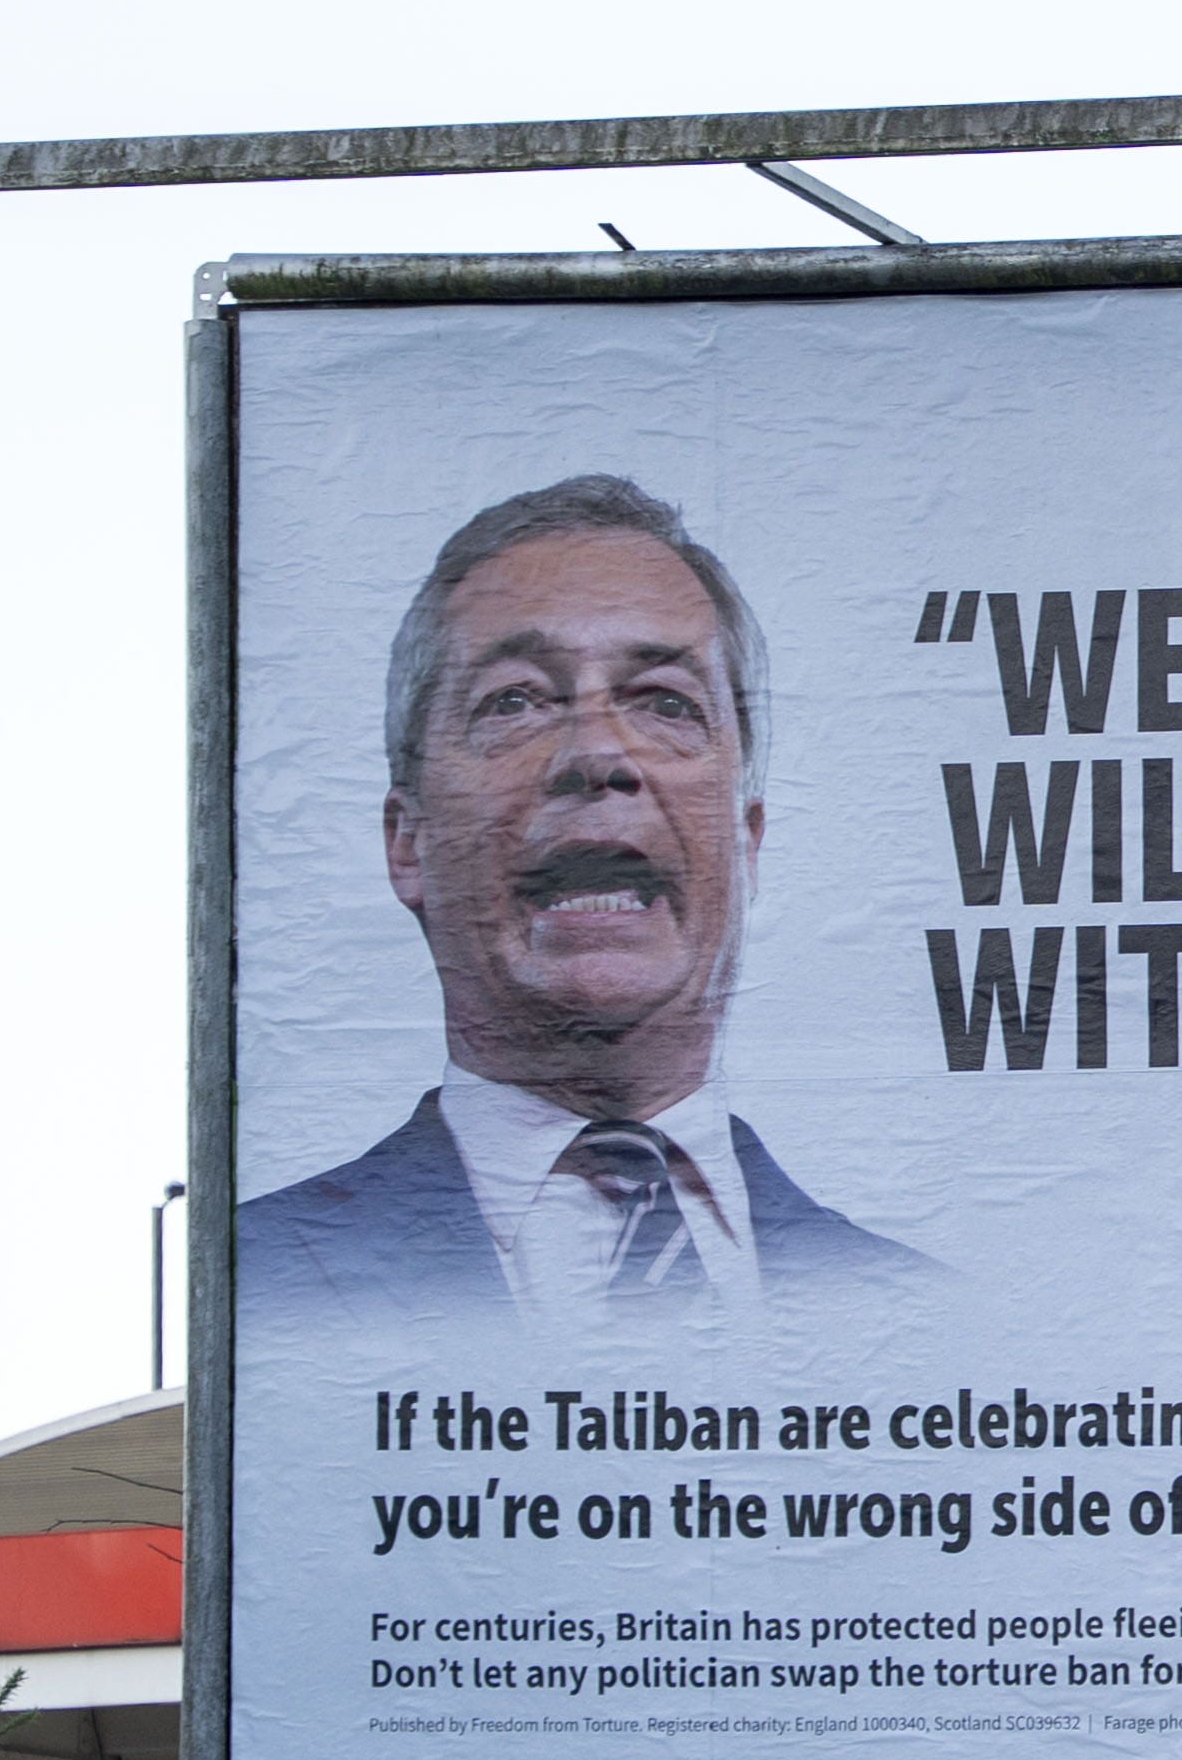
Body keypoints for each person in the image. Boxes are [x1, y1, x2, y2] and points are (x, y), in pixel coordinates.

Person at [241, 473, 920, 1346]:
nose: (597, 751)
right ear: (407, 842)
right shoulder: (252, 1291)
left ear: (745, 841)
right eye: (516, 701)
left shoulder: (923, 1322)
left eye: (666, 702)